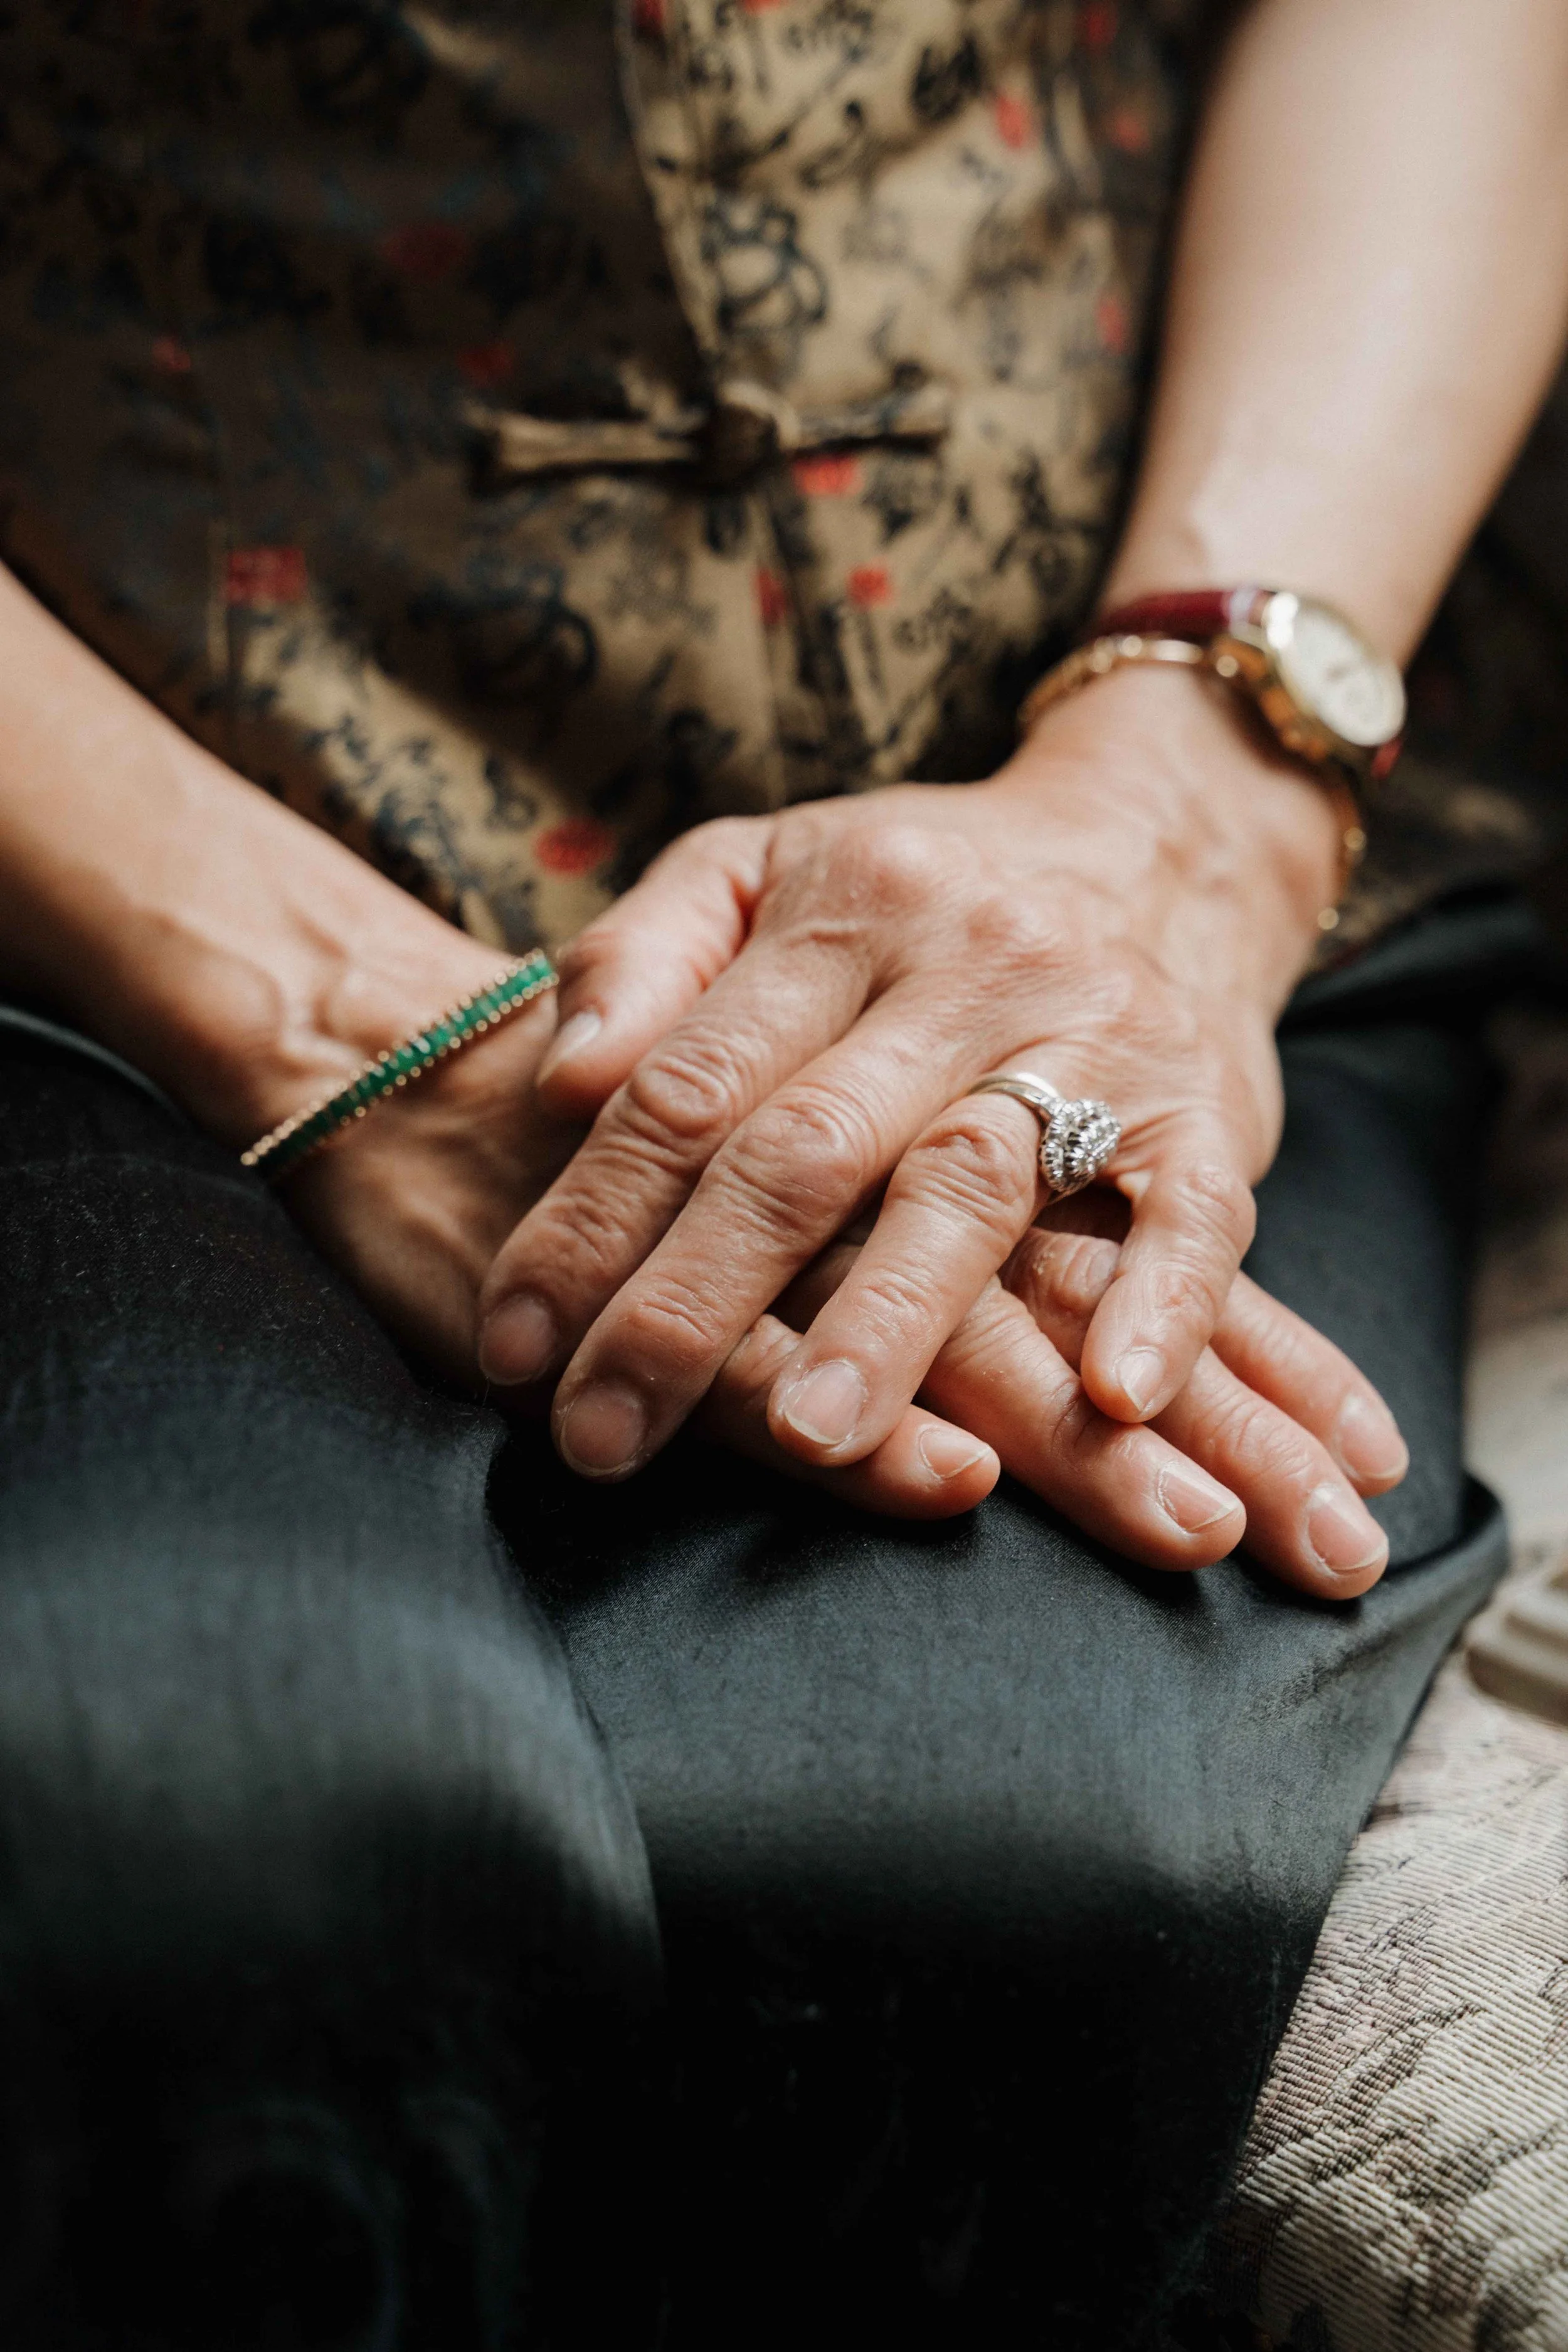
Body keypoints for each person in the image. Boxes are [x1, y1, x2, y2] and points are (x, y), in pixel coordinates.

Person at [0, 1, 1564, 2344]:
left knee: (990, 1864)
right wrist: (338, 1017)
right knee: (206, 1838)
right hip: (108, 911)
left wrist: (1195, 789)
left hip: (1144, 814)